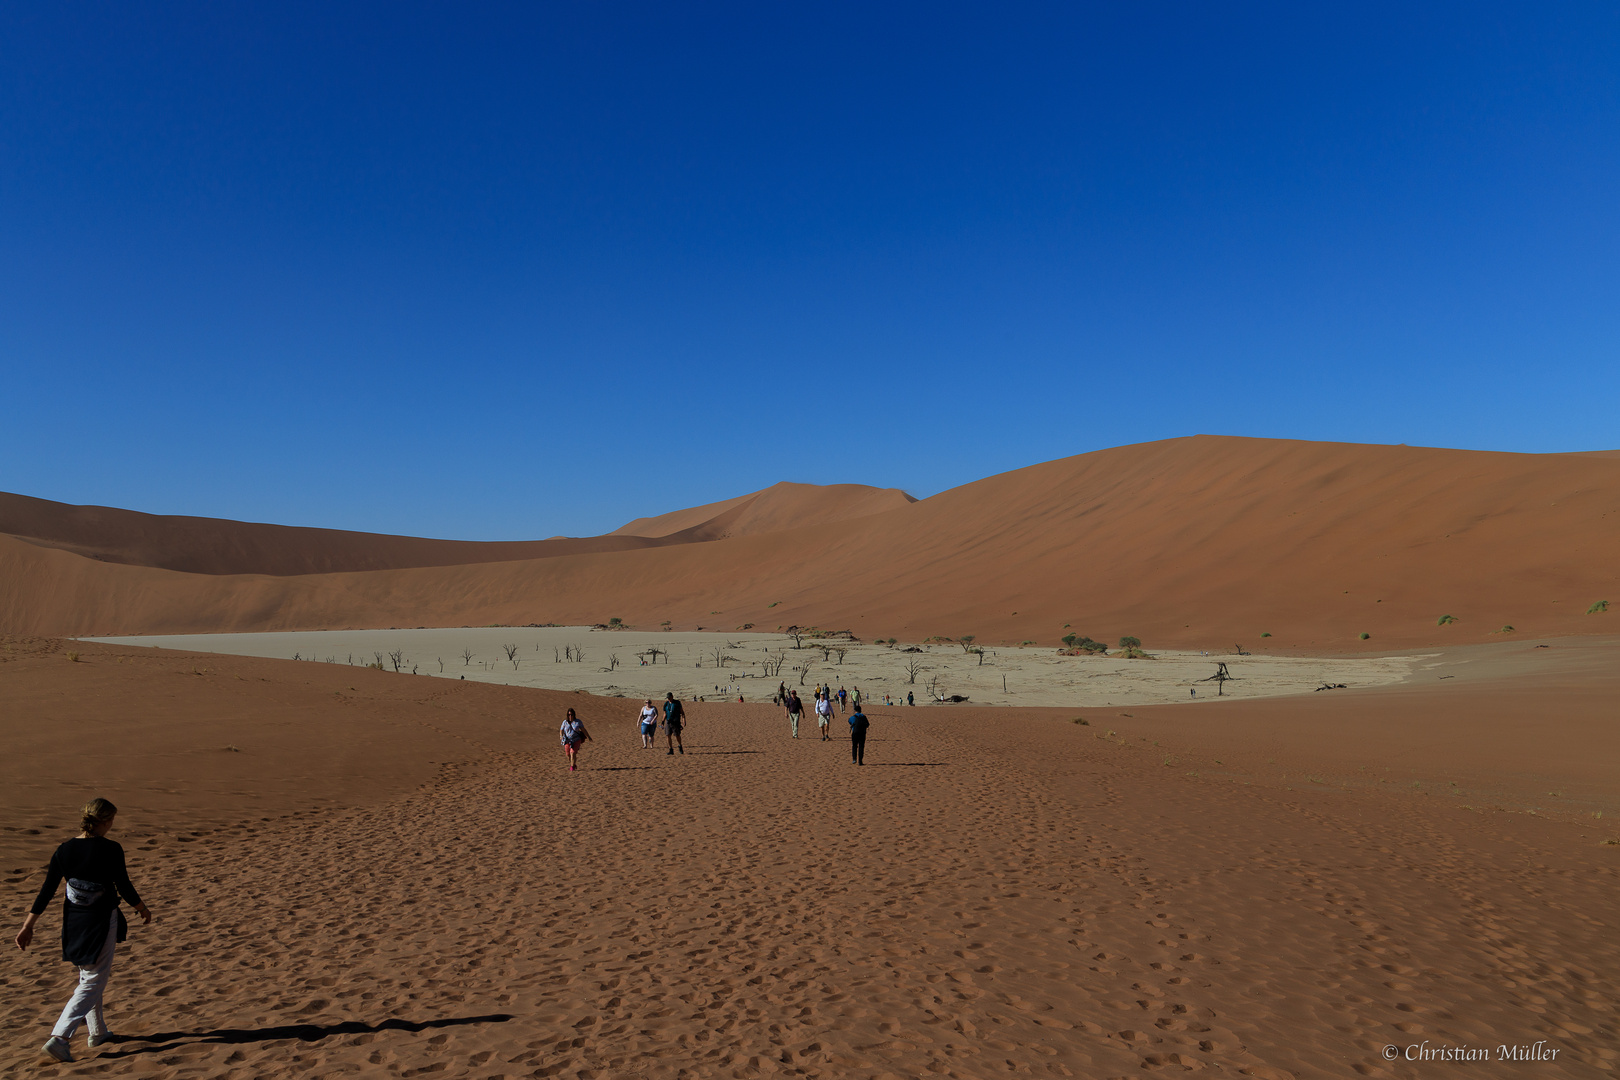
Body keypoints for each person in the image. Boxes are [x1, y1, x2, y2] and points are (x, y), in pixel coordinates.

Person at [15, 798, 153, 1064]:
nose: (112, 825)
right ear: (103, 821)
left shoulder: (64, 850)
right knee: (93, 980)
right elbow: (123, 884)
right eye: (111, 820)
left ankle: (97, 1031)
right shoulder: (111, 849)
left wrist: (27, 925)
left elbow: (46, 890)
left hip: (75, 921)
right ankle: (60, 1037)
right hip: (101, 920)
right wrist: (142, 908)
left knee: (89, 975)